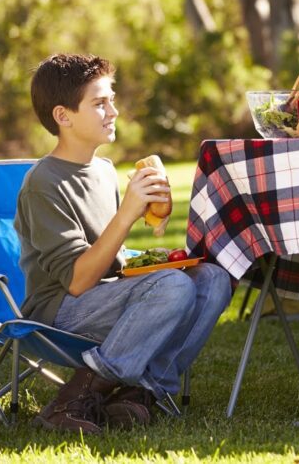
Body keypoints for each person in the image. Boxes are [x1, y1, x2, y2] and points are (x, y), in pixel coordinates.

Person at [15, 53, 232, 434]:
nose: (113, 111)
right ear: (63, 116)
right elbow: (78, 280)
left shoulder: (103, 170)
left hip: (106, 293)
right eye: (99, 103)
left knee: (212, 278)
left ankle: (139, 393)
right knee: (174, 288)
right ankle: (73, 400)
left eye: (111, 99)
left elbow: (112, 258)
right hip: (56, 310)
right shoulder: (44, 183)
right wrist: (127, 214)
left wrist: (154, 259)